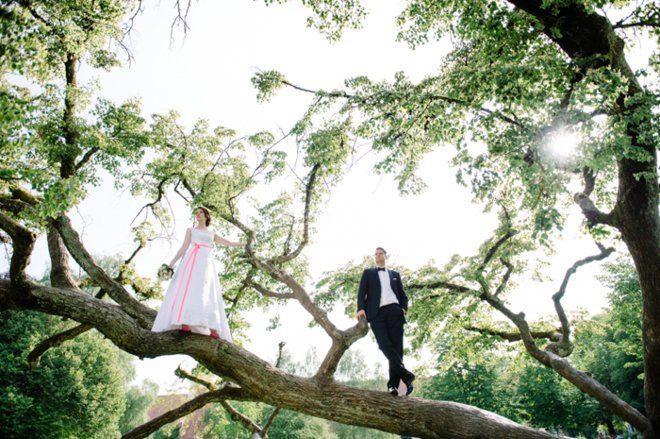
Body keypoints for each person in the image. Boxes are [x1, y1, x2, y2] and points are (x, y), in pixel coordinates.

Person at [152, 206, 242, 341]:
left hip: (206, 265)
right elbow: (183, 247)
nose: (198, 214)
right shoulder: (191, 231)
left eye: (201, 212)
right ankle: (184, 321)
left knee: (207, 292)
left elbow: (228, 242)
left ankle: (212, 327)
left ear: (206, 216)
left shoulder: (211, 234)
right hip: (192, 262)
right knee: (189, 290)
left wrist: (245, 244)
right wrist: (171, 264)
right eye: (197, 213)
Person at [356, 247, 415, 396]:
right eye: (375, 254)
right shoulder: (368, 273)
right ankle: (407, 376)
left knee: (397, 349)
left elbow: (402, 294)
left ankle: (393, 385)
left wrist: (403, 308)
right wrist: (360, 308)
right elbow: (361, 292)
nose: (377, 255)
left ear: (386, 256)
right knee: (384, 345)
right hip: (376, 314)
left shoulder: (395, 274)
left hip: (395, 312)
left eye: (380, 253)